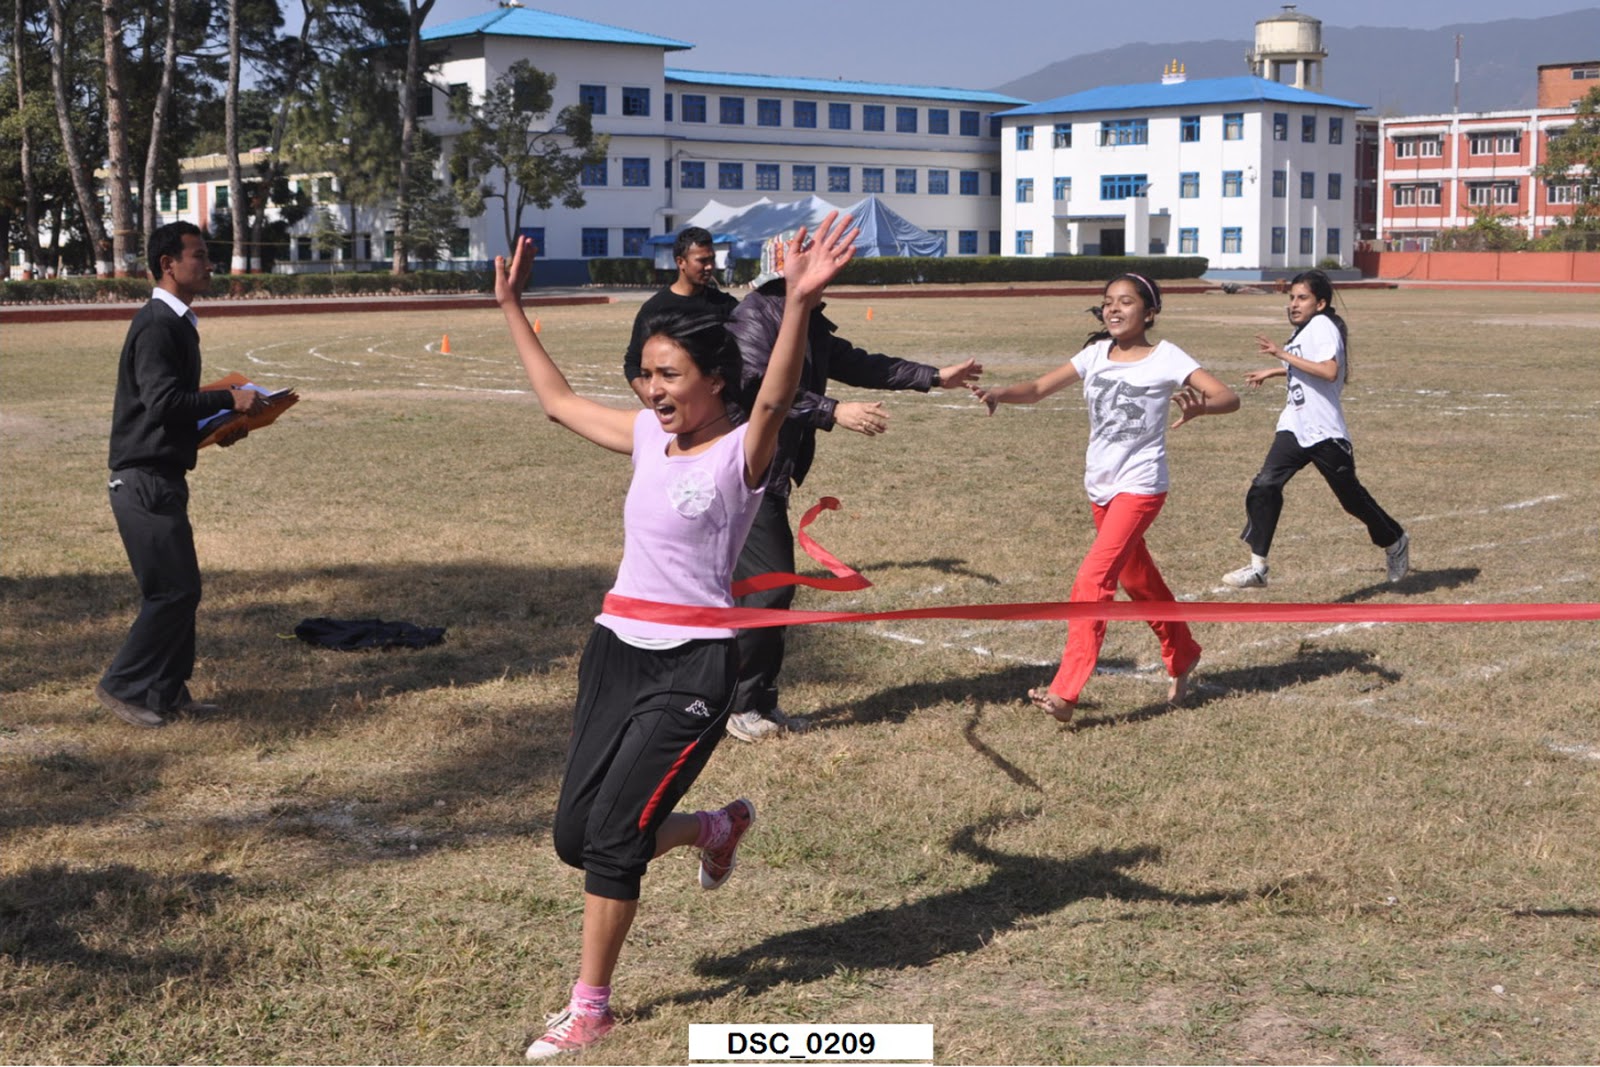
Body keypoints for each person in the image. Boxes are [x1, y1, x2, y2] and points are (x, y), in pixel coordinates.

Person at [496, 215, 860, 1060]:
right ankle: (711, 828)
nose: (652, 389)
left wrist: (798, 302)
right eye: (645, 374)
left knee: (614, 841)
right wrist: (513, 306)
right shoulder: (645, 441)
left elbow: (774, 396)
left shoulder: (742, 453)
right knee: (573, 836)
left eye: (670, 374)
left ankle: (591, 1006)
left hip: (694, 665)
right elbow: (555, 403)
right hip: (616, 649)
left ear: (714, 380)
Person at [720, 235, 983, 742]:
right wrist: (833, 410)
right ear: (787, 272)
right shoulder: (756, 315)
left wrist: (935, 377)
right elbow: (754, 385)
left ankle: (756, 702)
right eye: (820, 263)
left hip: (770, 473)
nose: (833, 272)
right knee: (770, 588)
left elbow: (861, 363)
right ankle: (738, 704)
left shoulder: (808, 320)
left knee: (769, 590)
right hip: (742, 473)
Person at [972, 273, 1238, 723]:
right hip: (1101, 486)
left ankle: (1066, 690)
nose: (1114, 309)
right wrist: (1000, 392)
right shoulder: (1095, 354)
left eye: (1126, 302)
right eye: (1108, 302)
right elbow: (1038, 389)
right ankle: (1184, 650)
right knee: (1139, 582)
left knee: (1093, 579)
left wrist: (1202, 407)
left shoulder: (1167, 356)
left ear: (1149, 312)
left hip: (1141, 485)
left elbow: (1227, 397)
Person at [96, 221, 267, 729]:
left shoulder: (177, 323)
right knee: (174, 592)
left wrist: (219, 429)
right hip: (142, 479)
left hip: (161, 475)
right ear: (168, 264)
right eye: (199, 255)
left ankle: (166, 692)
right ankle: (123, 685)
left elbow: (167, 416)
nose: (208, 263)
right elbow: (163, 400)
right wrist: (228, 398)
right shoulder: (157, 323)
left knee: (179, 589)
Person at [1220, 270, 1409, 589]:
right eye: (1291, 297)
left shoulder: (1322, 326)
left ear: (1320, 303)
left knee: (1352, 500)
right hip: (1294, 425)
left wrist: (1281, 355)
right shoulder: (1306, 330)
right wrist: (1277, 370)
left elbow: (1329, 370)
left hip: (1324, 431)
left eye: (1302, 298)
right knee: (1265, 484)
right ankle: (1257, 568)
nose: (1294, 304)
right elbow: (1305, 366)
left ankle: (1395, 540)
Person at [622, 226, 738, 406]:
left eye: (712, 260)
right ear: (680, 262)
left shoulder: (725, 305)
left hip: (720, 411)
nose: (709, 267)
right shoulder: (655, 309)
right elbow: (633, 364)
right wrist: (655, 404)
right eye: (702, 261)